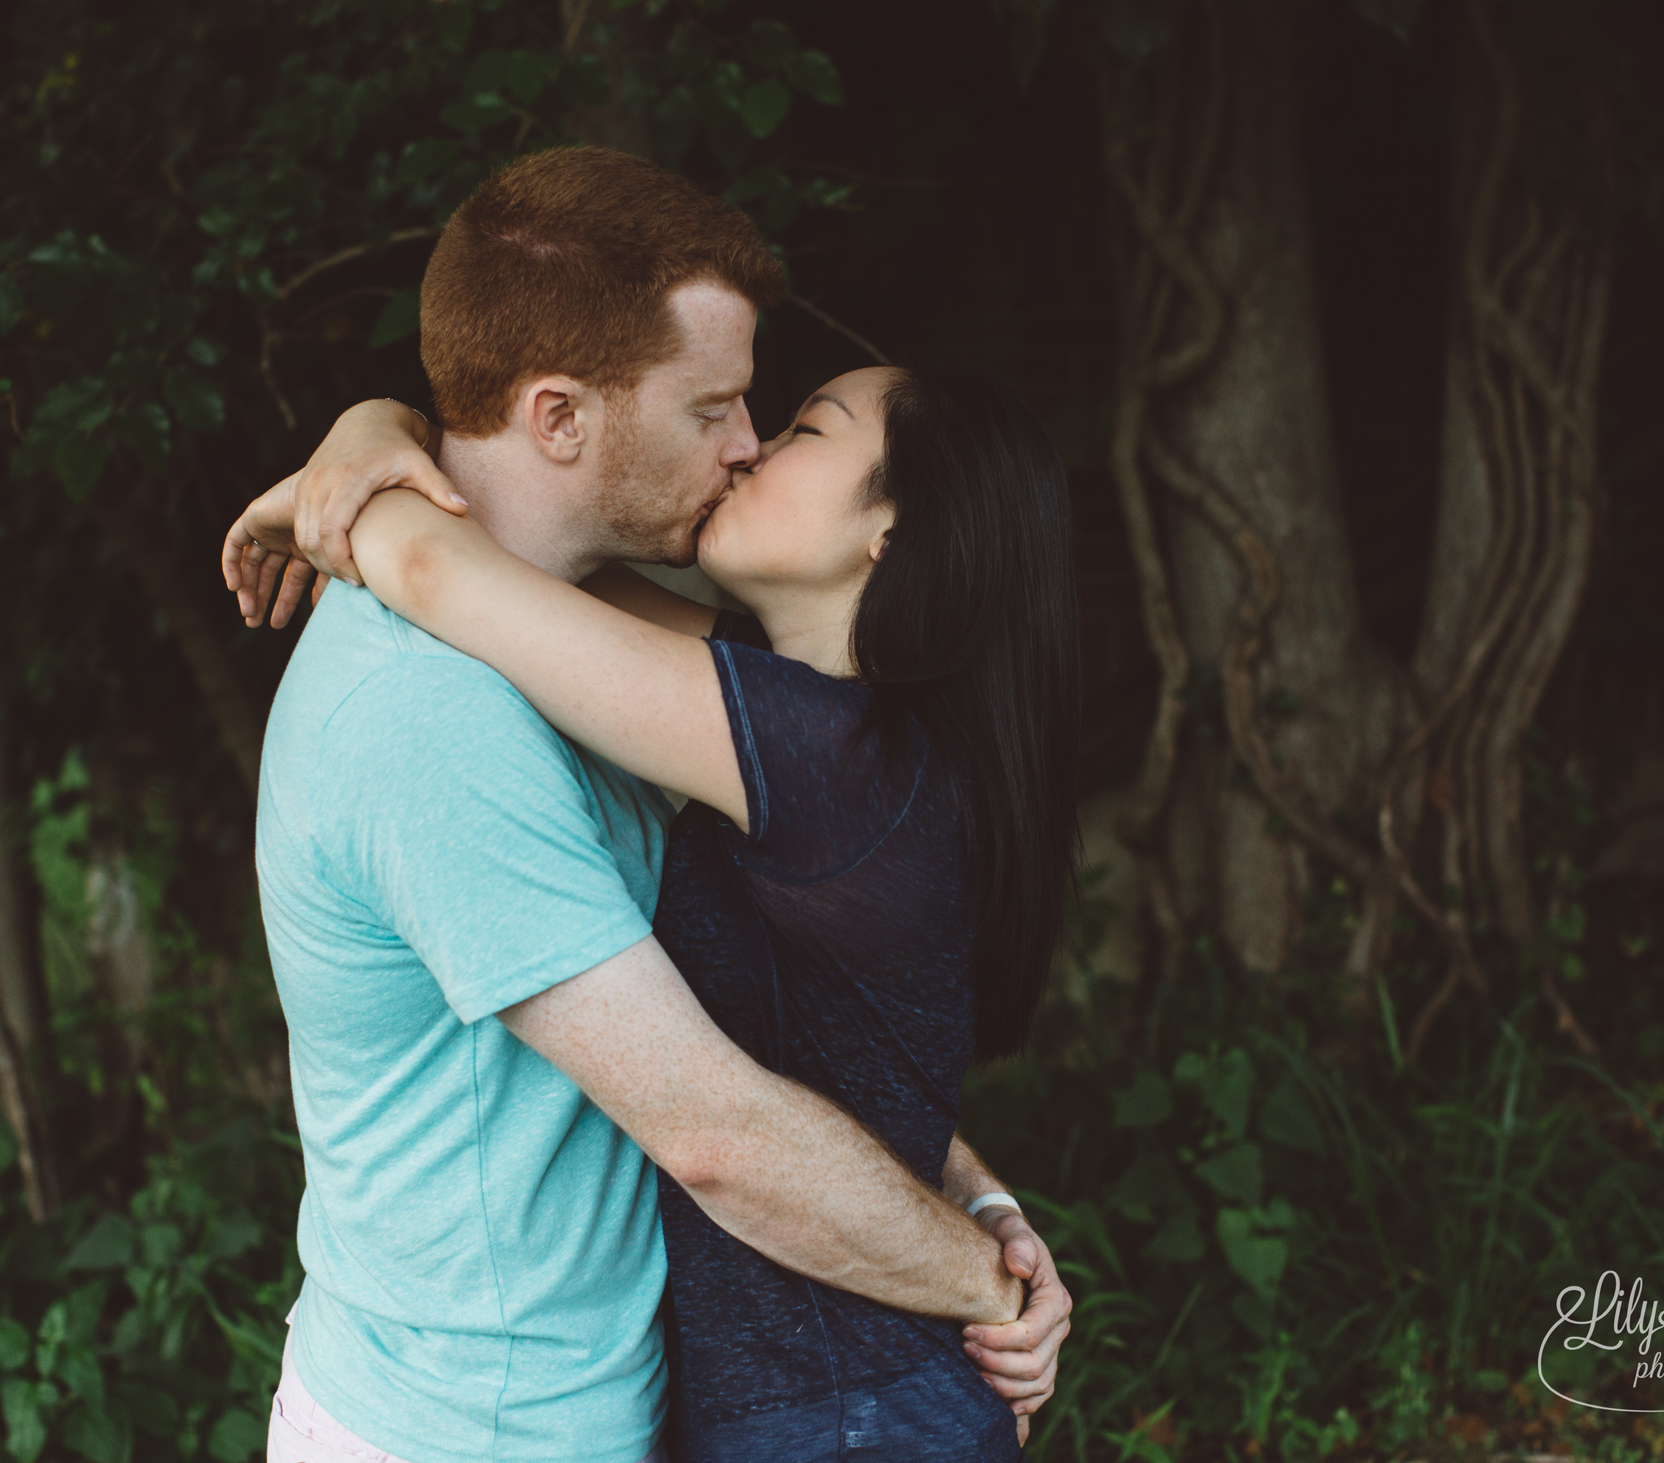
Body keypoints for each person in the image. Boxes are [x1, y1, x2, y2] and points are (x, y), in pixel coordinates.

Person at [222, 146, 1069, 1463]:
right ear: (561, 417)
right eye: (716, 408)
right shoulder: (434, 714)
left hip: (663, 1412)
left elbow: (805, 1040)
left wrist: (367, 471)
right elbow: (718, 1130)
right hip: (469, 1433)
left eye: (773, 420)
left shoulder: (663, 680)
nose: (741, 447)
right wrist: (978, 1277)